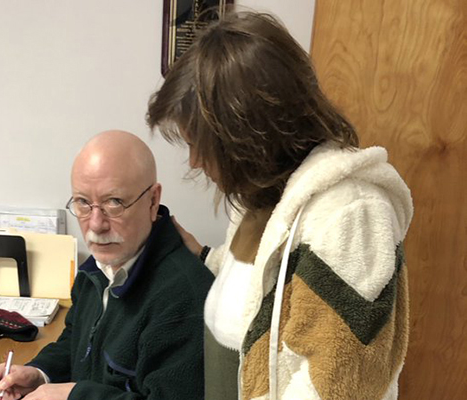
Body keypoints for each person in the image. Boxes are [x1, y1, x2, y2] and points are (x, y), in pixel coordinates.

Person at [147, 11, 413, 400]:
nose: (194, 162)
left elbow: (341, 385)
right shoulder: (264, 198)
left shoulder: (350, 214)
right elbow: (266, 287)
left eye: (197, 145)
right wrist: (205, 256)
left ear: (246, 137)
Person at [0, 130, 214, 400]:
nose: (96, 225)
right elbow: (77, 342)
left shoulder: (185, 298)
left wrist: (74, 396)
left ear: (153, 201)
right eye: (83, 203)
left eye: (114, 202)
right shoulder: (96, 268)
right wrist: (41, 373)